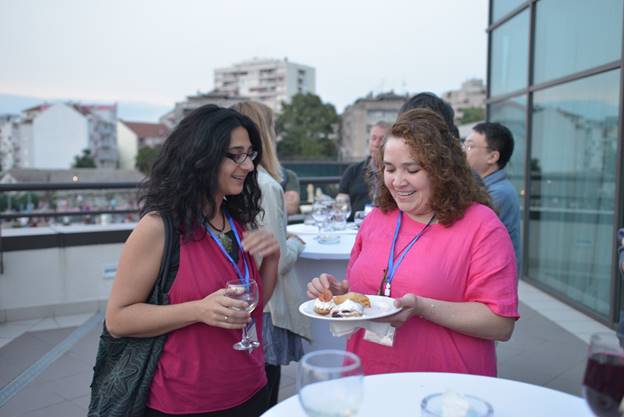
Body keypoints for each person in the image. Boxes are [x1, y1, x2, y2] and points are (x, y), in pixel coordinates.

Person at [308, 108, 519, 376]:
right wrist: (341, 294)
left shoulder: (482, 227)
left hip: (446, 386)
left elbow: (500, 323)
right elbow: (374, 288)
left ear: (443, 170)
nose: (397, 181)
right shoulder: (377, 219)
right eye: (389, 168)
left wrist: (422, 308)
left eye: (412, 169)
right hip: (367, 376)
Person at [105, 104, 280, 417]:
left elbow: (255, 307)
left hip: (251, 388)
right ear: (201, 157)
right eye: (235, 154)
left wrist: (271, 259)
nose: (249, 166)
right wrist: (199, 310)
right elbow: (118, 320)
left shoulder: (234, 220)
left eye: (250, 154)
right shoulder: (158, 227)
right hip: (186, 402)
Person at [232, 101, 310, 408]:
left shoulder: (234, 182)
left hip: (242, 302)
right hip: (265, 306)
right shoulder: (265, 185)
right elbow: (275, 260)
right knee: (264, 396)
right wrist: (297, 243)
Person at [464, 122, 521, 271]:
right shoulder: (491, 188)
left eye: (470, 146)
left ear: (492, 156)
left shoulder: (498, 193)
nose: (463, 152)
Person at [337, 121, 390, 219]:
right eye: (373, 138)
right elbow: (341, 206)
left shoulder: (395, 173)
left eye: (382, 139)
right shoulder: (353, 171)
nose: (376, 144)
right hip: (354, 228)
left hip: (386, 228)